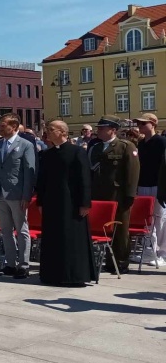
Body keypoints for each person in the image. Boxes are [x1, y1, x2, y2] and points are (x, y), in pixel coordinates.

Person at [38, 120, 95, 285]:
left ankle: (74, 276)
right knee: (53, 238)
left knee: (72, 239)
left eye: (51, 129)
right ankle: (52, 274)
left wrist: (85, 203)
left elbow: (84, 178)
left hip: (71, 203)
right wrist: (40, 202)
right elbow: (42, 181)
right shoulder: (47, 154)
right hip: (51, 203)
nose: (47, 132)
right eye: (47, 129)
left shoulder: (77, 152)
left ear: (63, 131)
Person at [0, 113, 37, 279]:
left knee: (21, 230)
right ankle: (10, 263)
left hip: (16, 194)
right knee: (5, 231)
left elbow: (30, 173)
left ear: (13, 127)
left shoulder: (26, 145)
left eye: (3, 125)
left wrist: (26, 195)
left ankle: (24, 265)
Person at [89, 116, 139, 274]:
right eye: (99, 128)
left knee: (120, 229)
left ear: (113, 130)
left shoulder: (125, 146)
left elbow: (132, 172)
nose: (99, 131)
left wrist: (130, 195)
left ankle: (121, 261)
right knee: (102, 228)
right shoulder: (95, 148)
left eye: (102, 128)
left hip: (118, 195)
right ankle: (106, 260)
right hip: (98, 194)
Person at [133, 114, 166, 267]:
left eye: (143, 123)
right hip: (143, 184)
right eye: (138, 123)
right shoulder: (142, 143)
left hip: (157, 185)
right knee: (147, 219)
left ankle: (162, 253)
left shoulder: (161, 142)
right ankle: (150, 249)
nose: (139, 125)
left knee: (160, 219)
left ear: (153, 124)